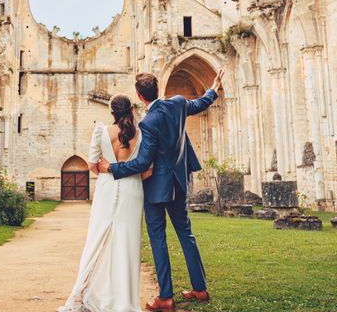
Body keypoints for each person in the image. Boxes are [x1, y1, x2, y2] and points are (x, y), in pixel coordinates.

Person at [98, 69, 224, 312]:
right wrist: (214, 87)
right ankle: (200, 289)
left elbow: (143, 163)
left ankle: (166, 297)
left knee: (159, 239)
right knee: (186, 235)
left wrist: (112, 168)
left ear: (139, 95)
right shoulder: (177, 103)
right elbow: (200, 103)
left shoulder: (148, 122)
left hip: (157, 188)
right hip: (179, 181)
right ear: (157, 89)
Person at [58, 93, 151, 312]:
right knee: (127, 243)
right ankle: (125, 300)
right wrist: (133, 175)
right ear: (130, 109)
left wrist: (105, 167)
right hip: (133, 190)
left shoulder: (101, 131)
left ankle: (88, 293)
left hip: (107, 187)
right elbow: (146, 169)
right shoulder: (141, 134)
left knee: (97, 239)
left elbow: (92, 164)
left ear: (112, 112)